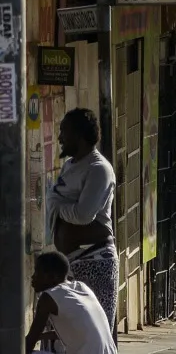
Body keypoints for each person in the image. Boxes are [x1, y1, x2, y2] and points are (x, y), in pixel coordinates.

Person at [47, 108, 118, 328]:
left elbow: (83, 215)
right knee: (67, 335)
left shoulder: (99, 169)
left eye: (64, 132)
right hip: (70, 264)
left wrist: (58, 205)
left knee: (95, 334)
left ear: (78, 135)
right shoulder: (70, 165)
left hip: (95, 263)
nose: (60, 138)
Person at [27, 251, 115, 354]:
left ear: (53, 276)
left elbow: (30, 341)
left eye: (37, 272)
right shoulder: (81, 287)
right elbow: (80, 332)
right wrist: (41, 336)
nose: (33, 277)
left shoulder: (48, 297)